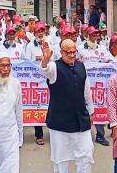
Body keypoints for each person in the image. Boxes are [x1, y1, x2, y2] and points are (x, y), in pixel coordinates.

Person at [41, 39, 94, 173]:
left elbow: (87, 91)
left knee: (86, 155)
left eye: (73, 52)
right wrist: (45, 59)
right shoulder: (54, 67)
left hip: (80, 120)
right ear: (61, 52)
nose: (71, 55)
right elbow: (45, 70)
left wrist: (91, 112)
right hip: (60, 123)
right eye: (68, 52)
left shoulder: (81, 66)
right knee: (60, 160)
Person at [24, 22, 48, 145]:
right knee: (37, 104)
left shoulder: (48, 44)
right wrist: (37, 59)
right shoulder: (29, 46)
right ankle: (39, 133)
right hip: (34, 79)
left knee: (49, 104)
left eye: (42, 31)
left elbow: (52, 59)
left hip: (47, 78)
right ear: (34, 33)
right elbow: (27, 61)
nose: (40, 33)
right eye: (38, 31)